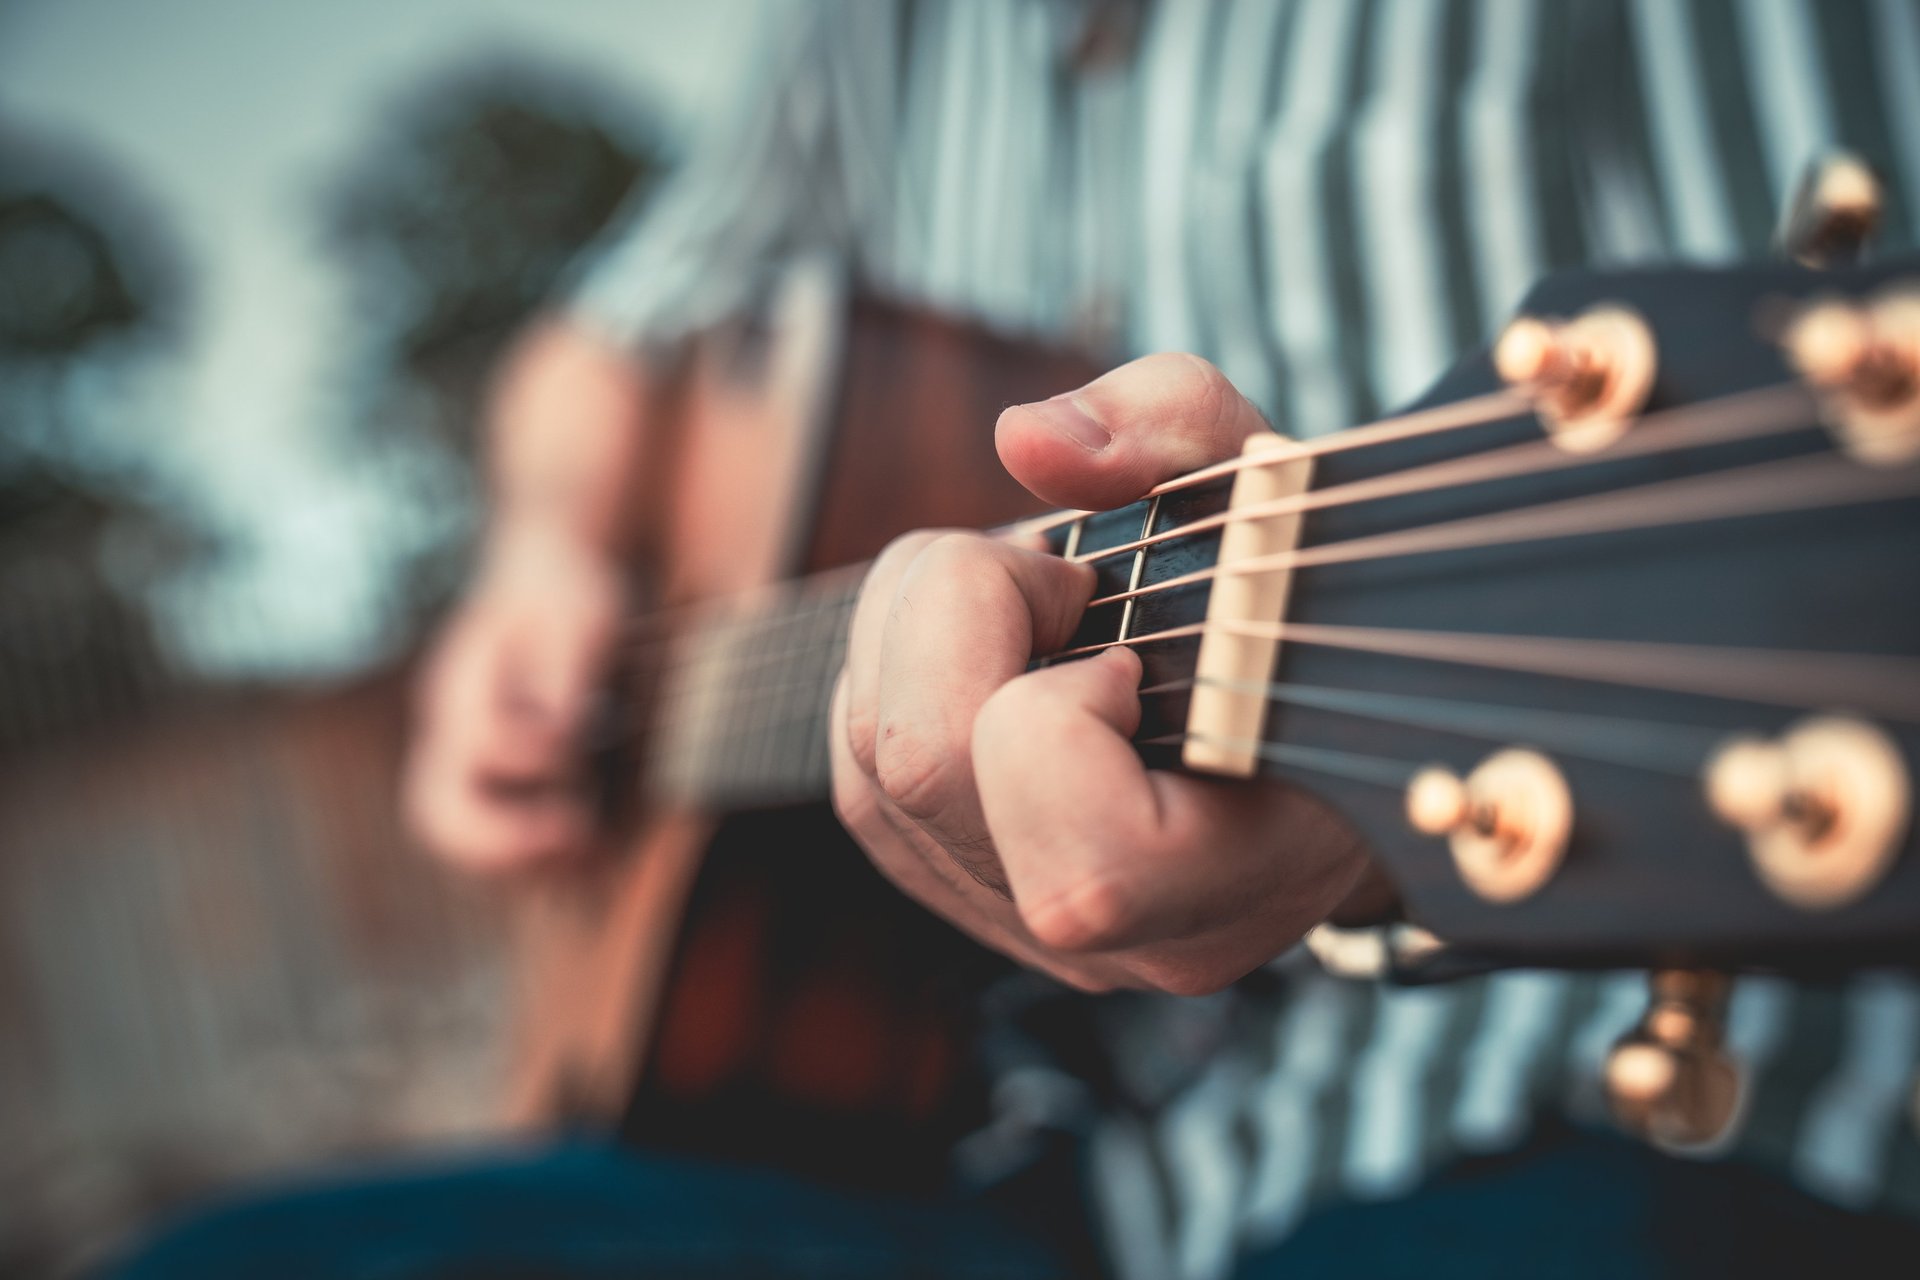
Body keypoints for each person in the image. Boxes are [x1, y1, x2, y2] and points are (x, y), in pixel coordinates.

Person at [124, 1, 1920, 1276]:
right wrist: (543, 555)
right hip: (996, 1156)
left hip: (1634, 1105)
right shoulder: (876, 35)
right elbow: (601, 340)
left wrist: (1360, 825)